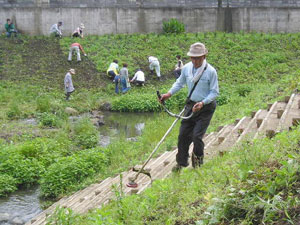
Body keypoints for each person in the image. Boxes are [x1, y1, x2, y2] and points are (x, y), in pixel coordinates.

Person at [159, 42, 219, 171]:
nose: (195, 60)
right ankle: (181, 163)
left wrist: (203, 103)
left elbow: (214, 92)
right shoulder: (186, 68)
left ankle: (197, 164)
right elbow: (179, 83)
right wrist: (168, 94)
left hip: (205, 107)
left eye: (198, 58)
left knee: (197, 136)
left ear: (204, 56)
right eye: (193, 57)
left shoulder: (210, 71)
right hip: (191, 105)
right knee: (183, 135)